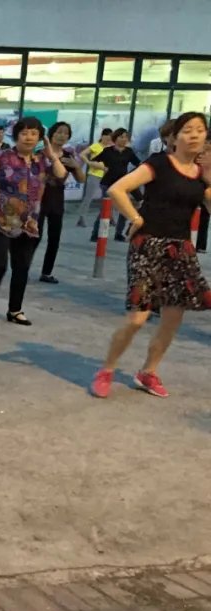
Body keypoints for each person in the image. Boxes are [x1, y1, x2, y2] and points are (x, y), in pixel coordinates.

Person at [90, 113, 211, 399]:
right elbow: (119, 189)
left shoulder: (201, 176)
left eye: (200, 131)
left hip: (181, 250)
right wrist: (135, 218)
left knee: (172, 319)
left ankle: (148, 372)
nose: (194, 135)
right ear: (173, 138)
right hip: (148, 246)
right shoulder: (159, 163)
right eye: (187, 130)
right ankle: (106, 369)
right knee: (137, 318)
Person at [0, 116, 67, 328]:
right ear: (17, 135)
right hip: (2, 220)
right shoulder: (3, 158)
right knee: (0, 265)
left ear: (40, 137)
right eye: (24, 133)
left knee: (22, 268)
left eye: (34, 133)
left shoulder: (42, 161)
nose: (29, 138)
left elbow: (61, 175)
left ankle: (15, 310)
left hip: (28, 223)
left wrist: (51, 155)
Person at [38, 122, 85, 284]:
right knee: (34, 237)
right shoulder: (40, 154)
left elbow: (81, 179)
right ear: (51, 134)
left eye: (66, 133)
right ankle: (22, 267)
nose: (62, 136)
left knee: (54, 238)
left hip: (57, 200)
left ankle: (47, 272)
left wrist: (77, 167)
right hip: (39, 199)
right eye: (59, 132)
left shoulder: (68, 157)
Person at [90, 128, 140, 242]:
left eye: (126, 137)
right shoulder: (108, 151)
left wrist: (131, 175)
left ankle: (119, 233)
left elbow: (139, 164)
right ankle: (96, 233)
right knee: (106, 209)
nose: (124, 139)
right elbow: (94, 161)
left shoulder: (129, 152)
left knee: (124, 209)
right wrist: (103, 167)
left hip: (122, 184)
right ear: (115, 138)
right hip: (108, 183)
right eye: (121, 137)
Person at [76, 129, 113, 227]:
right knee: (89, 197)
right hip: (95, 174)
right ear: (102, 136)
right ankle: (81, 218)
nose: (109, 138)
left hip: (107, 175)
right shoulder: (96, 146)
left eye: (110, 136)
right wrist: (89, 163)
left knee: (108, 198)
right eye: (107, 135)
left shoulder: (111, 148)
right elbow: (82, 154)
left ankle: (110, 218)